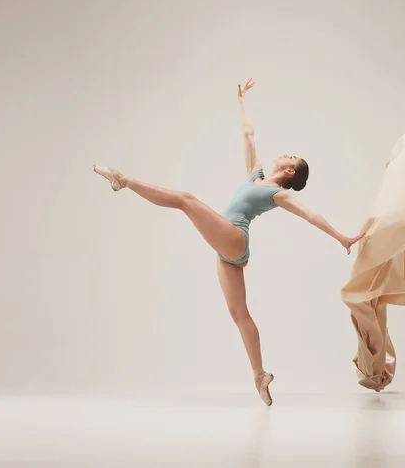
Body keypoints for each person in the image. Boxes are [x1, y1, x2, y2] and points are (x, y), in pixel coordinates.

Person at [92, 79, 366, 405]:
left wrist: (342, 238)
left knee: (185, 199)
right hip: (230, 254)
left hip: (235, 239)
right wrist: (241, 99)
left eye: (291, 156)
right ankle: (260, 375)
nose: (284, 153)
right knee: (240, 315)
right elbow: (249, 134)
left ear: (291, 170)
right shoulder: (256, 174)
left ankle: (126, 181)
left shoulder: (276, 193)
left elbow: (310, 215)